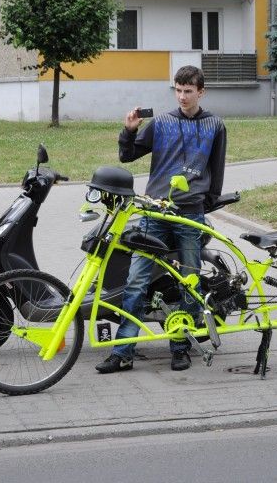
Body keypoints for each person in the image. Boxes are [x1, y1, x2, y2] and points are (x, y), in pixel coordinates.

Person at [95, 65, 227, 373]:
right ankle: (122, 352)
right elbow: (128, 156)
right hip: (154, 213)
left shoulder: (215, 125)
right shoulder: (162, 122)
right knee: (135, 283)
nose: (182, 96)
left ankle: (180, 348)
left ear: (201, 92)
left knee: (189, 285)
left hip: (189, 214)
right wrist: (129, 130)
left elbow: (216, 170)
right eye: (178, 90)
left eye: (188, 91)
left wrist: (203, 203)